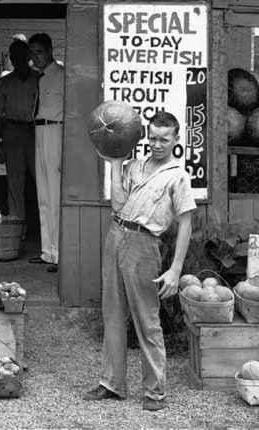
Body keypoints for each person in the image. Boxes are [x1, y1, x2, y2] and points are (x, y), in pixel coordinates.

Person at [83, 111, 197, 412]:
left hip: (145, 245)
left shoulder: (177, 176)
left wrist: (175, 270)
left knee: (146, 319)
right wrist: (116, 164)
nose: (157, 145)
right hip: (116, 234)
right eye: (153, 138)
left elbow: (185, 224)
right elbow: (118, 204)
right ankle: (111, 384)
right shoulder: (134, 166)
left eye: (164, 139)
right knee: (113, 313)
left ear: (175, 140)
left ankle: (155, 391)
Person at [0, 39, 38, 222]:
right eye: (14, 56)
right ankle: (18, 225)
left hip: (34, 131)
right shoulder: (4, 82)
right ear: (10, 58)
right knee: (14, 181)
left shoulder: (39, 79)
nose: (18, 59)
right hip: (12, 130)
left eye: (21, 55)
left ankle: (45, 226)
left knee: (41, 178)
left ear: (28, 56)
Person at [28, 32, 63, 272]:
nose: (35, 57)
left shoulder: (61, 76)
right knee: (43, 196)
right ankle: (47, 251)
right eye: (32, 52)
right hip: (40, 131)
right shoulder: (39, 79)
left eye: (39, 51)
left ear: (50, 50)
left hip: (56, 132)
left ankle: (60, 253)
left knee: (55, 194)